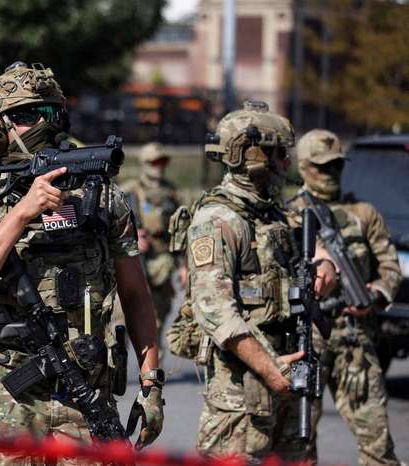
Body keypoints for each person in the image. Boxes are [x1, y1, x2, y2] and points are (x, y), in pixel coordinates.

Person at [0, 61, 163, 465]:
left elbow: (135, 294)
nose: (43, 124)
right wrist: (22, 213)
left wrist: (151, 385)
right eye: (26, 116)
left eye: (50, 113)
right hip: (6, 400)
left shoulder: (103, 199)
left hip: (85, 396)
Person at [188, 101, 337, 462]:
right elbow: (215, 312)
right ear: (253, 156)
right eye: (281, 154)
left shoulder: (273, 213)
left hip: (287, 379)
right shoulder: (219, 219)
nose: (287, 164)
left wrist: (326, 265)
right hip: (242, 395)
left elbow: (315, 249)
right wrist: (273, 370)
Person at [288, 129, 403, 466]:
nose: (330, 173)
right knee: (300, 442)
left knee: (376, 441)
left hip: (355, 339)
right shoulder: (289, 214)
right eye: (321, 167)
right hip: (307, 340)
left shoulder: (364, 213)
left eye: (336, 165)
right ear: (304, 166)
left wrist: (375, 294)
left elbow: (390, 267)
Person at [121, 143, 183, 349]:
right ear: (145, 163)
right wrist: (132, 236)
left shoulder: (170, 192)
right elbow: (113, 225)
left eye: (163, 161)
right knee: (122, 320)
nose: (159, 166)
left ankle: (152, 375)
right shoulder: (129, 191)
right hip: (135, 260)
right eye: (155, 162)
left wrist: (183, 266)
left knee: (157, 318)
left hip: (162, 261)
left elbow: (180, 230)